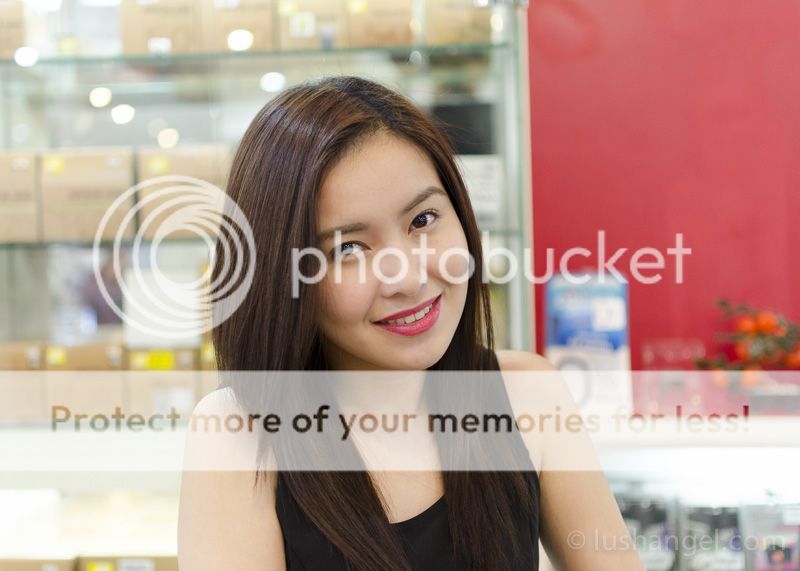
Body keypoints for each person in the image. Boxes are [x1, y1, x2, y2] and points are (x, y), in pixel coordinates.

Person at [177, 75, 643, 570]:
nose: (408, 277)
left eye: (423, 220)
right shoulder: (239, 434)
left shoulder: (527, 394)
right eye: (348, 248)